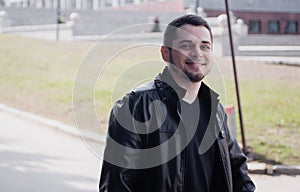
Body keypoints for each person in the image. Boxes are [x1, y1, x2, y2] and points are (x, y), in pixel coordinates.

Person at [99, 14, 256, 192]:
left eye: (205, 46)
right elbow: (116, 186)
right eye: (186, 46)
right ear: (166, 53)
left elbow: (239, 175)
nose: (197, 53)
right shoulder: (136, 106)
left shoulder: (215, 109)